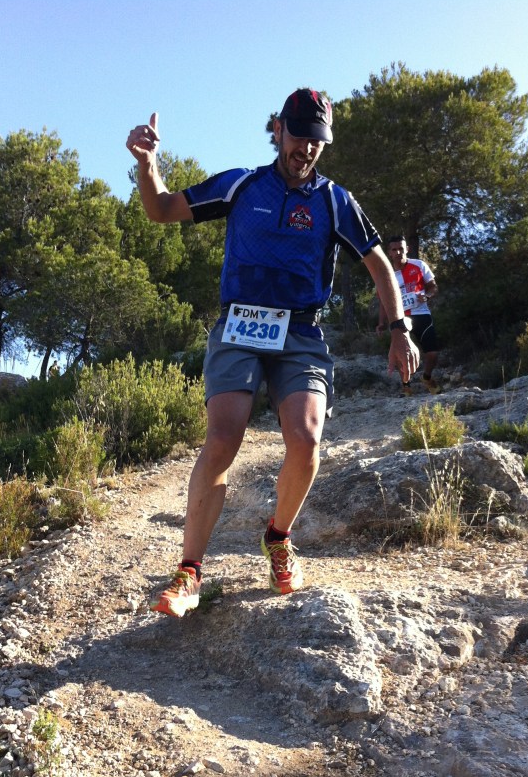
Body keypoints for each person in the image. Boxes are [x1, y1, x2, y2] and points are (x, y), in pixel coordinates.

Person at [126, 88, 420, 618]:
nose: (307, 149)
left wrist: (399, 327)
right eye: (299, 135)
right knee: (224, 434)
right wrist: (148, 167)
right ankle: (189, 572)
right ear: (279, 129)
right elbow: (161, 210)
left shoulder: (334, 200)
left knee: (306, 441)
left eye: (317, 141)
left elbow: (379, 266)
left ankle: (278, 538)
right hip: (240, 324)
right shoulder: (241, 185)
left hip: (301, 333)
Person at [377, 235, 440, 394]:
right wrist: (381, 323)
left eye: (401, 249)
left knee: (432, 353)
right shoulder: (386, 274)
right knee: (401, 352)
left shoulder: (418, 265)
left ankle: (426, 377)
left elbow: (433, 286)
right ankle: (406, 386)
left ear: (407, 249)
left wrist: (427, 296)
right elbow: (383, 302)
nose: (398, 252)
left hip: (421, 313)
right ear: (389, 253)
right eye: (394, 249)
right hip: (400, 318)